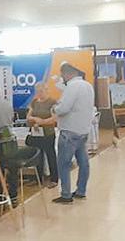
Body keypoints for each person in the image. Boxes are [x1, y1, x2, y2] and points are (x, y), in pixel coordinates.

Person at [35, 63, 95, 204]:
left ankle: (66, 194)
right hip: (83, 130)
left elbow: (63, 108)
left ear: (68, 73)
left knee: (63, 164)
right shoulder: (88, 86)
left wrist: (54, 109)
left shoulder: (72, 87)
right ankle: (81, 191)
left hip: (69, 131)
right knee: (83, 163)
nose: (62, 78)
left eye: (62, 75)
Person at [25, 82, 58, 186]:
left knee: (50, 155)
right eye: (37, 91)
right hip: (36, 133)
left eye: (41, 91)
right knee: (38, 155)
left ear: (46, 90)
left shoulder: (52, 102)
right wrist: (36, 120)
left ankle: (54, 179)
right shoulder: (34, 102)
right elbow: (28, 117)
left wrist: (42, 122)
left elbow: (54, 118)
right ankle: (38, 179)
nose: (39, 93)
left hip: (48, 133)